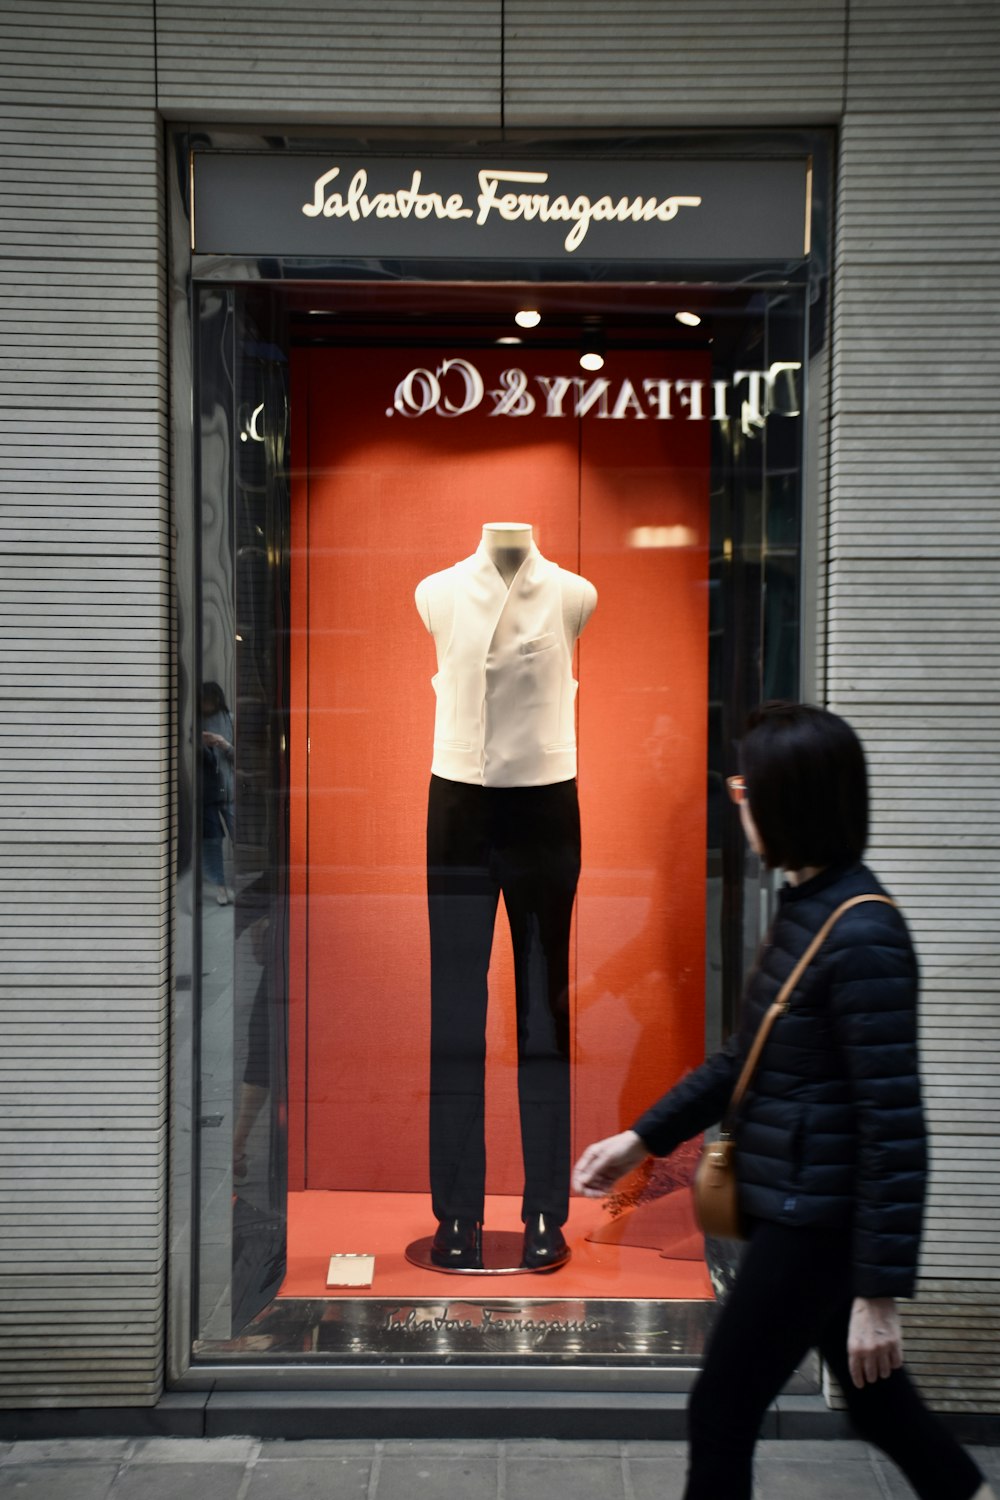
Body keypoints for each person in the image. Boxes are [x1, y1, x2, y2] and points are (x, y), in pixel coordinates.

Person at [573, 702, 993, 1500]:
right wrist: (642, 1139)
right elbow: (744, 1062)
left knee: (722, 1408)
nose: (738, 805)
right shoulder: (807, 907)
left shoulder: (863, 937)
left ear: (791, 800)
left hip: (816, 1224)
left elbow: (894, 1130)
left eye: (745, 789)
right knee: (883, 1414)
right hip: (794, 1207)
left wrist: (878, 1294)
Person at [201, 680, 235, 905]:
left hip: (230, 790)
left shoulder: (230, 720)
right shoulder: (193, 723)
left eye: (210, 699)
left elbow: (242, 757)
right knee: (212, 842)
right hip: (205, 794)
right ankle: (221, 887)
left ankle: (239, 885)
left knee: (238, 837)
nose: (207, 704)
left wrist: (224, 744)